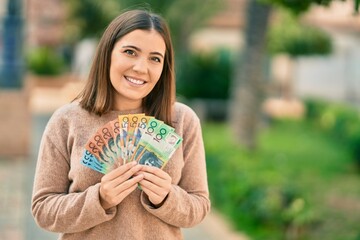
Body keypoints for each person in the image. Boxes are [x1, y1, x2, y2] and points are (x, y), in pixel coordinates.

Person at [31, 9, 210, 240]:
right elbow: (43, 210)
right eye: (130, 52)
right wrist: (100, 198)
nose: (140, 68)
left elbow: (200, 206)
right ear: (108, 54)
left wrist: (167, 197)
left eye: (155, 58)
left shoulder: (183, 120)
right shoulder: (67, 120)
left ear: (164, 67)